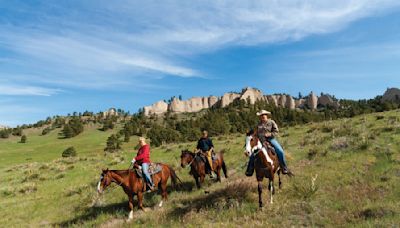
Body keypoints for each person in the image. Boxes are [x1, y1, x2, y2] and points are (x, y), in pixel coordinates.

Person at [247, 110, 291, 175]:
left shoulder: (271, 122)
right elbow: (255, 134)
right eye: (261, 115)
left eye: (264, 115)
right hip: (261, 141)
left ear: (266, 115)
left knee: (280, 151)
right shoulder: (258, 125)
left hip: (271, 140)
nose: (262, 116)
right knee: (253, 154)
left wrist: (270, 134)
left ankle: (284, 167)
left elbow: (276, 131)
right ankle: (250, 169)